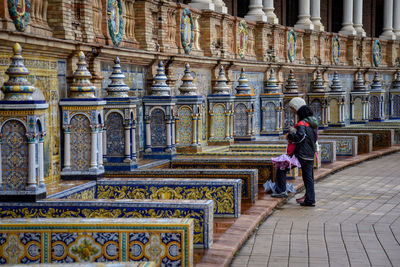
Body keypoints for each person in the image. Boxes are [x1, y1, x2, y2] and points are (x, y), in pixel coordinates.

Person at [272, 97, 318, 207]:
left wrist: (291, 135)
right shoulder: (313, 123)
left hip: (300, 154)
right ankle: (310, 199)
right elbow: (314, 138)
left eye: (294, 109)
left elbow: (300, 136)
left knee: (282, 167)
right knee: (308, 177)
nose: (294, 112)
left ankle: (281, 190)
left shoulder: (302, 123)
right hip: (310, 154)